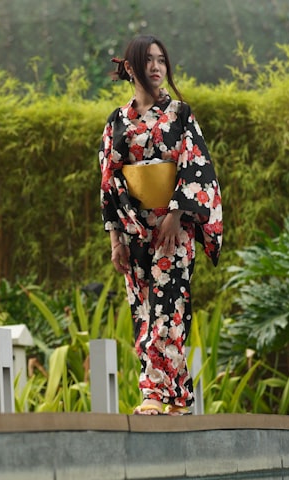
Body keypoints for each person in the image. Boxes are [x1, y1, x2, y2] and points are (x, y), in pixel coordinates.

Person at [99, 35, 224, 416]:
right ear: (132, 68)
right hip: (134, 225)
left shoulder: (181, 114)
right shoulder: (117, 120)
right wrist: (115, 239)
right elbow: (109, 178)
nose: (157, 67)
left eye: (162, 61)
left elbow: (197, 166)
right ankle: (179, 398)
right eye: (149, 61)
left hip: (175, 228)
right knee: (143, 309)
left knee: (168, 309)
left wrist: (175, 213)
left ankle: (155, 393)